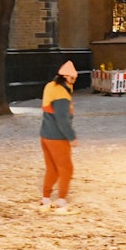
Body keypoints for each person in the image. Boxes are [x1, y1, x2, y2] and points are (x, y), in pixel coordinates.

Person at [39, 60, 79, 214]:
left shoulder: (50, 87)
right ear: (66, 77)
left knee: (52, 169)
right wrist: (71, 137)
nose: (73, 82)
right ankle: (62, 200)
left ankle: (46, 198)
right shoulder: (62, 94)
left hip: (45, 135)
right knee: (66, 169)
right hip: (57, 137)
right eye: (73, 78)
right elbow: (62, 119)